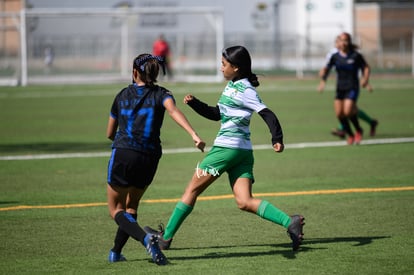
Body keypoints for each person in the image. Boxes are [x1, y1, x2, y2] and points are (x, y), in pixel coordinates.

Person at [145, 45, 305, 252]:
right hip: (242, 153)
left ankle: (165, 238)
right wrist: (195, 104)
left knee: (191, 190)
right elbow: (216, 114)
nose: (221, 68)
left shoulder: (245, 89)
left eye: (223, 64)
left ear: (236, 68)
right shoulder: (232, 86)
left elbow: (267, 113)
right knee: (244, 201)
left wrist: (277, 138)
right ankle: (289, 222)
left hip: (225, 151)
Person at [106, 53, 205, 265]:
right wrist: (193, 134)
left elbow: (109, 133)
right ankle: (115, 252)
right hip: (149, 157)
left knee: (116, 210)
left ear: (134, 73)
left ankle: (145, 239)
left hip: (124, 152)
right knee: (131, 207)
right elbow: (173, 111)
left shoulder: (122, 95)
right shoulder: (162, 94)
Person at [318, 32, 372, 145]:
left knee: (348, 111)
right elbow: (327, 68)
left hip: (352, 87)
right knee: (339, 114)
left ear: (349, 42)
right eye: (341, 40)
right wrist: (323, 80)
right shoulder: (335, 56)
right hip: (340, 88)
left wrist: (365, 79)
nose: (343, 43)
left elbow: (366, 67)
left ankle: (358, 130)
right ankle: (350, 135)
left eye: (346, 40)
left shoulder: (355, 56)